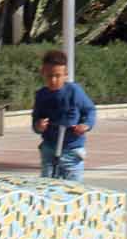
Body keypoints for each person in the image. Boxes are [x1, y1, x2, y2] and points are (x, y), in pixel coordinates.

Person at [31, 49, 97, 179]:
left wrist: (86, 125)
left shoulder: (74, 91)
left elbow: (90, 110)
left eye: (58, 76)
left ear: (66, 74)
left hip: (72, 150)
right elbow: (36, 119)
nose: (54, 80)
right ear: (43, 73)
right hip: (49, 148)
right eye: (49, 76)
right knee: (47, 185)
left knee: (72, 189)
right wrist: (38, 125)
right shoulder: (41, 95)